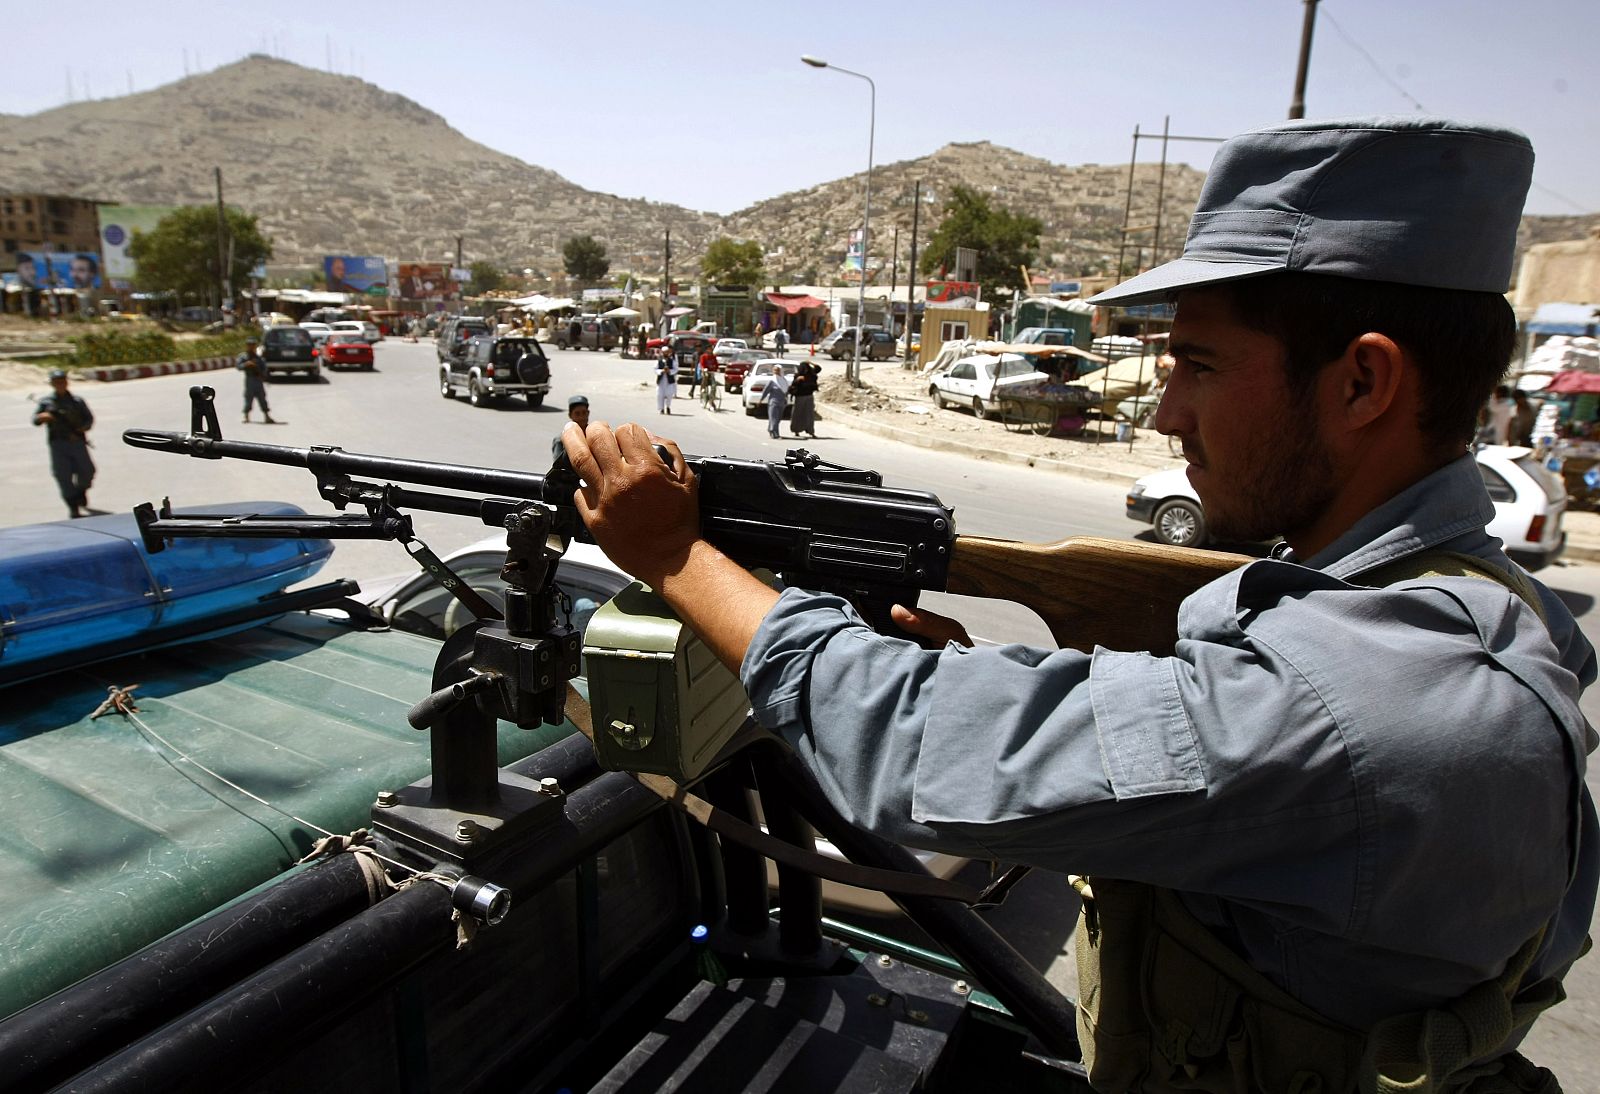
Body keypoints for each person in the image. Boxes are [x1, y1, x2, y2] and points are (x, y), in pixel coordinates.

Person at [565, 117, 1598, 1090]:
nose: (1165, 411)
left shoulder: (1357, 701)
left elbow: (907, 745)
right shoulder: (1478, 605)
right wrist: (980, 673)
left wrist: (675, 555)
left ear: (1364, 382)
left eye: (1197, 364)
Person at [32, 368, 95, 518]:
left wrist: (81, 429)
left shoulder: (77, 401)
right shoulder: (46, 402)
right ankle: (73, 506)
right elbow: (35, 419)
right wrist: (42, 417)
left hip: (77, 442)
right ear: (52, 384)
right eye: (56, 382)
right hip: (58, 444)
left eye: (62, 381)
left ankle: (81, 492)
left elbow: (89, 419)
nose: (60, 384)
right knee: (63, 475)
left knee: (87, 471)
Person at [237, 336, 276, 424]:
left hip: (258, 380)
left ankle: (267, 416)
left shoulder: (258, 358)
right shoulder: (244, 356)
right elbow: (239, 366)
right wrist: (247, 364)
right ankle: (246, 416)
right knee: (248, 398)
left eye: (253, 345)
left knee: (262, 398)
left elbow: (264, 368)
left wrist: (263, 375)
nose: (251, 346)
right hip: (249, 379)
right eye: (249, 345)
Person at [551, 395, 590, 462]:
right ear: (570, 415)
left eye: (584, 413)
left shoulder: (593, 435)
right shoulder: (561, 440)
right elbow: (558, 466)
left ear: (588, 413)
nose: (581, 417)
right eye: (577, 414)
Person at [788, 360, 819, 438]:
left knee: (809, 415)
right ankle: (796, 430)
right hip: (800, 397)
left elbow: (818, 368)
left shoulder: (811, 374)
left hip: (809, 396)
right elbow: (793, 386)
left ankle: (810, 431)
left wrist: (811, 362)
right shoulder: (798, 376)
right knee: (797, 414)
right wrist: (797, 380)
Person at [761, 364, 789, 439]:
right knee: (774, 418)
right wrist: (761, 399)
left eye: (777, 370)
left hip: (782, 402)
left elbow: (786, 391)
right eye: (774, 370)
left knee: (778, 418)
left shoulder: (783, 380)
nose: (776, 372)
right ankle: (775, 433)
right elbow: (766, 391)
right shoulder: (772, 381)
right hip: (773, 403)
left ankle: (771, 429)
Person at [655, 348, 676, 415]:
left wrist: (670, 371)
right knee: (660, 395)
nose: (665, 353)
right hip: (661, 380)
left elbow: (676, 369)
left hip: (669, 380)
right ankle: (661, 408)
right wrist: (662, 371)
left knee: (669, 394)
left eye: (667, 352)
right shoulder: (659, 360)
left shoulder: (672, 361)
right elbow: (655, 369)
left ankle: (668, 407)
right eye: (664, 352)